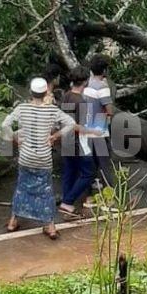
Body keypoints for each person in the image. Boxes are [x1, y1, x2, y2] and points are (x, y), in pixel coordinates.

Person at [2, 78, 95, 239]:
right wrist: (55, 136)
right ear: (45, 93)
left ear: (31, 93)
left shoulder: (22, 108)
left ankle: (13, 222)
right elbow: (71, 124)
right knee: (45, 191)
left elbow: (5, 125)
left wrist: (15, 139)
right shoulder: (52, 110)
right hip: (43, 158)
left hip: (25, 157)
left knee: (22, 188)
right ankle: (50, 227)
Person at [58, 67, 96, 217]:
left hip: (65, 140)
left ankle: (67, 202)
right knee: (89, 173)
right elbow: (78, 126)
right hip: (78, 142)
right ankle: (67, 202)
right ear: (86, 82)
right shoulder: (81, 102)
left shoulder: (66, 96)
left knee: (70, 171)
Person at [84, 54, 115, 198]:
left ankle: (89, 196)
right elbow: (109, 110)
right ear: (104, 70)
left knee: (91, 165)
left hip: (86, 130)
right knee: (105, 166)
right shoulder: (102, 87)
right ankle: (111, 197)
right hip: (100, 132)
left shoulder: (86, 85)